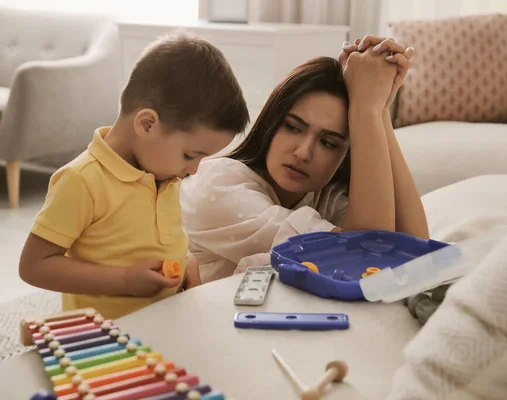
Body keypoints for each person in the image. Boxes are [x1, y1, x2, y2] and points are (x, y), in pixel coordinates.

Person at [18, 31, 249, 319]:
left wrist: (186, 262)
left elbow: (156, 241)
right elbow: (34, 266)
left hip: (165, 322)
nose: (194, 169)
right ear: (147, 124)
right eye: (191, 155)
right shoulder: (82, 180)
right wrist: (124, 280)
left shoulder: (163, 173)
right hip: (106, 337)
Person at [180, 35, 429, 284]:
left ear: (344, 156)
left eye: (328, 143)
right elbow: (365, 257)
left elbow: (418, 254)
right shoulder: (219, 185)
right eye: (293, 127)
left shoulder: (325, 196)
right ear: (271, 124)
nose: (303, 153)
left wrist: (378, 106)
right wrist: (367, 107)